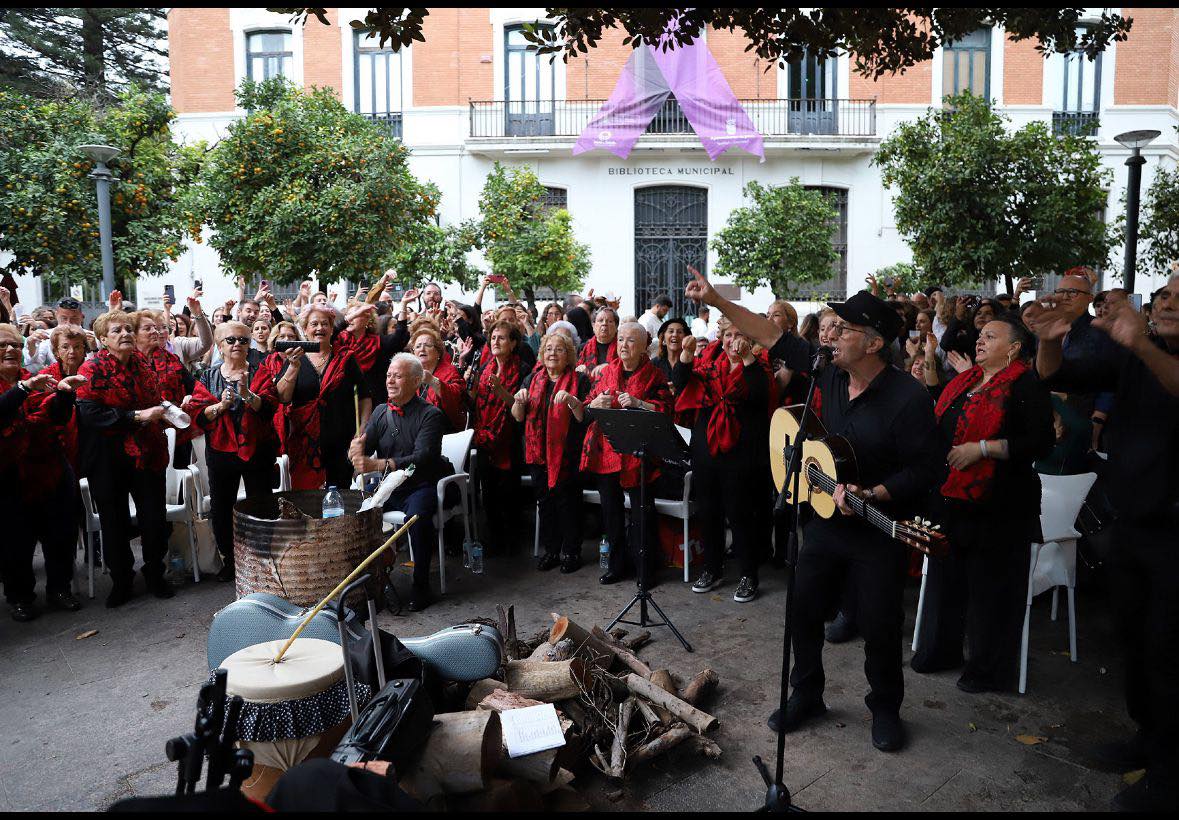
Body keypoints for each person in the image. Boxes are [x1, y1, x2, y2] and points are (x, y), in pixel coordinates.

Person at [688, 270, 946, 753]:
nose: (831, 334)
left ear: (872, 343)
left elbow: (926, 470)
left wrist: (876, 494)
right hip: (823, 521)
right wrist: (718, 301)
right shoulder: (827, 372)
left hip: (875, 529)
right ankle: (807, 693)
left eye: (843, 329)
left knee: (879, 624)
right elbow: (769, 335)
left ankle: (885, 706)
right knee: (802, 612)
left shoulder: (907, 398)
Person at [1025, 277, 1179, 812]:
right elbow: (1055, 374)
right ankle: (1147, 737)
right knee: (1134, 638)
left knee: (1168, 648)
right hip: (1132, 520)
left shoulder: (1146, 351)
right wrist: (1047, 338)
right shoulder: (1137, 354)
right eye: (1164, 296)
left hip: (1174, 534)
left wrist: (1138, 342)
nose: (1169, 304)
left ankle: (1172, 771)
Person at [910, 316, 1054, 692]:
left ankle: (987, 668)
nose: (980, 340)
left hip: (1001, 503)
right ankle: (942, 650)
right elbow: (939, 421)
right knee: (947, 579)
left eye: (991, 336)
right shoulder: (967, 381)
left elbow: (1040, 442)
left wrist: (983, 449)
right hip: (951, 498)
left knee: (992, 590)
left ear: (1014, 348)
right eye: (981, 335)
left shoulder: (1025, 384)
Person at [76, 311, 177, 607]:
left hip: (147, 453)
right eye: (117, 330)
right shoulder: (91, 368)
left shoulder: (143, 364)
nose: (126, 334)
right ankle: (122, 581)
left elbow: (153, 401)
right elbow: (89, 413)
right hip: (108, 458)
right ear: (103, 339)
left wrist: (165, 412)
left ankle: (155, 574)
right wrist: (136, 416)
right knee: (114, 521)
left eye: (128, 329)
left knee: (154, 518)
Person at [674, 320, 770, 604]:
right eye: (728, 335)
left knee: (740, 515)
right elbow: (680, 382)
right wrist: (686, 356)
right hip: (706, 449)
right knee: (708, 513)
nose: (733, 341)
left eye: (740, 335)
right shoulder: (708, 366)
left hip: (742, 451)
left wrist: (748, 359)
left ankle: (748, 574)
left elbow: (759, 394)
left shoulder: (758, 365)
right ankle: (712, 569)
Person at [351, 353, 451, 611]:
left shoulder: (431, 415)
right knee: (357, 515)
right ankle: (371, 581)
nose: (390, 381)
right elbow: (364, 449)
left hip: (420, 484)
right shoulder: (381, 412)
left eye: (398, 376)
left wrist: (378, 465)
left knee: (417, 518)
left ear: (416, 382)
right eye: (388, 375)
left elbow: (422, 458)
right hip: (389, 487)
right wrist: (355, 450)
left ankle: (421, 586)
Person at [0, 324, 86, 621]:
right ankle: (20, 597)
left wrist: (64, 395)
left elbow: (57, 418)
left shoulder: (33, 378)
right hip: (10, 475)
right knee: (16, 542)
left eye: (14, 345)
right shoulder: (27, 384)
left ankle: (59, 589)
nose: (10, 350)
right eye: (3, 346)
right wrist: (23, 390)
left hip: (51, 466)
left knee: (60, 534)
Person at [582, 322, 673, 585]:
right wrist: (593, 404)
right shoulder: (606, 373)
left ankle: (645, 569)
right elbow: (588, 407)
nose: (624, 345)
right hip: (607, 451)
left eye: (631, 341)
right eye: (621, 340)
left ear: (645, 347)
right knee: (610, 513)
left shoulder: (654, 375)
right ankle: (617, 565)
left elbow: (666, 411)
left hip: (641, 454)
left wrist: (638, 403)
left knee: (642, 515)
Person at [189, 322, 279, 582]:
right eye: (230, 340)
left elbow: (269, 407)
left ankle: (262, 558)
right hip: (221, 451)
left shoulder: (259, 372)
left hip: (256, 450)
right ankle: (231, 560)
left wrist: (247, 394)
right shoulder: (208, 376)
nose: (237, 344)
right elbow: (199, 414)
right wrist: (221, 406)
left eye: (242, 340)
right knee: (222, 508)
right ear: (219, 346)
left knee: (261, 505)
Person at [512, 333, 591, 572]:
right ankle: (552, 551)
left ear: (568, 355)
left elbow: (584, 418)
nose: (552, 354)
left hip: (568, 453)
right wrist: (519, 400)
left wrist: (571, 400)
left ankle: (571, 552)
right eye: (548, 349)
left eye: (558, 350)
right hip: (538, 454)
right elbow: (517, 416)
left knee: (568, 503)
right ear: (542, 354)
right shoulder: (532, 379)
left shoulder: (579, 380)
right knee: (545, 503)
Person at [273, 306, 371, 490]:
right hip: (304, 443)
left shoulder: (346, 358)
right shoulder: (295, 359)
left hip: (341, 441)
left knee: (340, 497)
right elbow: (282, 397)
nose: (320, 328)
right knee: (307, 499)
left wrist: (362, 430)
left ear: (332, 329)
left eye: (325, 324)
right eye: (314, 324)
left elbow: (365, 397)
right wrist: (293, 367)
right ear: (305, 329)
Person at [471, 320, 527, 554]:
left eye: (502, 338)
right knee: (489, 494)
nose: (496, 341)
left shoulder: (523, 369)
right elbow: (474, 402)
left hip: (510, 437)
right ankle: (493, 541)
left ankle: (512, 543)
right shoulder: (485, 366)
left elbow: (519, 409)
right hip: (484, 438)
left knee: (510, 494)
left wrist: (501, 391)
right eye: (493, 337)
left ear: (513, 343)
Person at [410, 328, 465, 432]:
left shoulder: (450, 370)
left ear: (438, 352)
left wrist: (432, 381)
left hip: (443, 431)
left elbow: (456, 399)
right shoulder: (411, 373)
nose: (422, 349)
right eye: (418, 346)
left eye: (427, 345)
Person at [577, 307, 620, 379]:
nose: (604, 324)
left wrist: (610, 367)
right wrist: (579, 369)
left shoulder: (622, 346)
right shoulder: (582, 348)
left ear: (616, 326)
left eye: (609, 321)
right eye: (600, 321)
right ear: (593, 326)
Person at [652, 318, 689, 386]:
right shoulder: (654, 364)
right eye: (671, 331)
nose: (675, 335)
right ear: (663, 339)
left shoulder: (694, 363)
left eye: (680, 332)